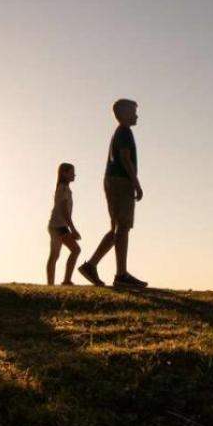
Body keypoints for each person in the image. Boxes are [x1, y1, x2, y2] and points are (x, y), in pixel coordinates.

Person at [79, 99, 147, 289]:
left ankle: (91, 266)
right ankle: (121, 274)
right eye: (134, 112)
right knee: (122, 227)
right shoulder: (125, 132)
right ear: (124, 114)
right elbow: (125, 159)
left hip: (113, 180)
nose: (136, 115)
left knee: (116, 228)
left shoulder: (122, 132)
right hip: (120, 181)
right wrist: (136, 182)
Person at [46, 163, 82, 285]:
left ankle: (55, 283)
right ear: (64, 173)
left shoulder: (65, 189)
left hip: (57, 226)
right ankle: (64, 281)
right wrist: (73, 229)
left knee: (55, 255)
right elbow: (64, 211)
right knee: (74, 250)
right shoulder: (63, 188)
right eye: (72, 172)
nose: (74, 175)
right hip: (58, 226)